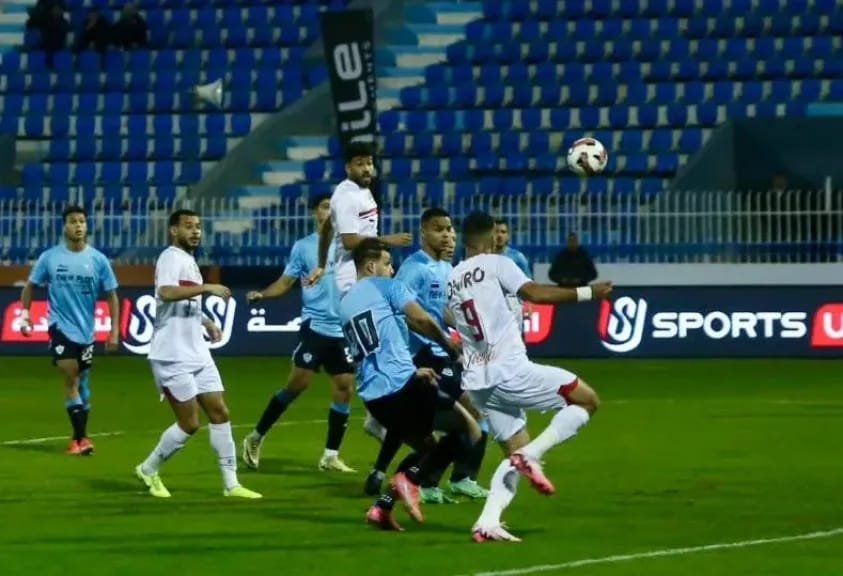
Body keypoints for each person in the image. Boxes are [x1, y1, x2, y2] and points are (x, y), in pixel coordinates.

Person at [447, 211, 612, 542]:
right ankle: (531, 455)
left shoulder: (454, 277)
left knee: (515, 450)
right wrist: (588, 293)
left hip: (478, 381)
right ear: (491, 235)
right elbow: (536, 293)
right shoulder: (498, 263)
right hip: (510, 370)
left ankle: (487, 522)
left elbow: (451, 317)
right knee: (587, 400)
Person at [340, 238, 478, 531]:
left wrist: (413, 370)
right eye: (388, 264)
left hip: (374, 397)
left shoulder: (346, 303)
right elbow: (422, 320)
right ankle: (409, 481)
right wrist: (449, 345)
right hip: (401, 387)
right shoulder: (387, 287)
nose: (392, 270)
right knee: (470, 430)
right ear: (371, 266)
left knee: (427, 447)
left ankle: (382, 508)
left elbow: (383, 341)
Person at [364, 208, 489, 503]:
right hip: (419, 356)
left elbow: (439, 310)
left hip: (439, 354)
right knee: (465, 413)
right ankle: (437, 480)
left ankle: (426, 478)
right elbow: (400, 309)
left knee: (444, 419)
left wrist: (464, 331)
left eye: (449, 229)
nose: (446, 234)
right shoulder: (414, 268)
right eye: (438, 229)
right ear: (424, 232)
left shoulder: (445, 267)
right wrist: (435, 337)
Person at [134, 210, 261, 500]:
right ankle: (148, 468)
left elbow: (184, 301)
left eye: (198, 227)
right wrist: (207, 287)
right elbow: (166, 292)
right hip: (172, 354)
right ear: (173, 231)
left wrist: (205, 321)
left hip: (197, 352)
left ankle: (231, 484)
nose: (195, 232)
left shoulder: (189, 261)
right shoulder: (170, 257)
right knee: (190, 424)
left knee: (220, 412)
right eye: (188, 226)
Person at [306, 141, 411, 443]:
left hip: (365, 273)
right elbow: (351, 241)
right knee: (372, 345)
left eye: (369, 162)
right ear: (348, 167)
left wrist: (321, 264)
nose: (367, 168)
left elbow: (327, 229)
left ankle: (378, 413)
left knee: (387, 334)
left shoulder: (361, 192)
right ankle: (376, 415)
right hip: (351, 278)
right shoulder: (347, 196)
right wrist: (388, 240)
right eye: (360, 163)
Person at [241, 195, 355, 473]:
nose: (330, 212)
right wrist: (263, 295)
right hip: (315, 325)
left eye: (334, 207)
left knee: (344, 387)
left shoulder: (349, 247)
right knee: (297, 384)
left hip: (341, 329)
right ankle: (255, 437)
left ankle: (330, 455)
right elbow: (285, 283)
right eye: (325, 207)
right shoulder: (304, 247)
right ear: (316, 212)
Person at [20, 205, 120, 455]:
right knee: (71, 374)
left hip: (86, 331)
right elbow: (30, 286)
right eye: (73, 221)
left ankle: (76, 439)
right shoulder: (50, 258)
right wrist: (25, 316)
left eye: (82, 221)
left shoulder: (98, 260)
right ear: (64, 226)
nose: (78, 226)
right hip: (60, 326)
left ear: (87, 226)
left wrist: (114, 331)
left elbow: (112, 295)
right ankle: (84, 439)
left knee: (82, 382)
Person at [493, 219, 532, 339]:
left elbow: (527, 284)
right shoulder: (484, 256)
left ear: (508, 236)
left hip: (512, 304)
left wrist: (528, 306)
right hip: (490, 304)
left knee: (514, 341)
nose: (499, 235)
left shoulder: (517, 257)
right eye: (496, 232)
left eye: (503, 232)